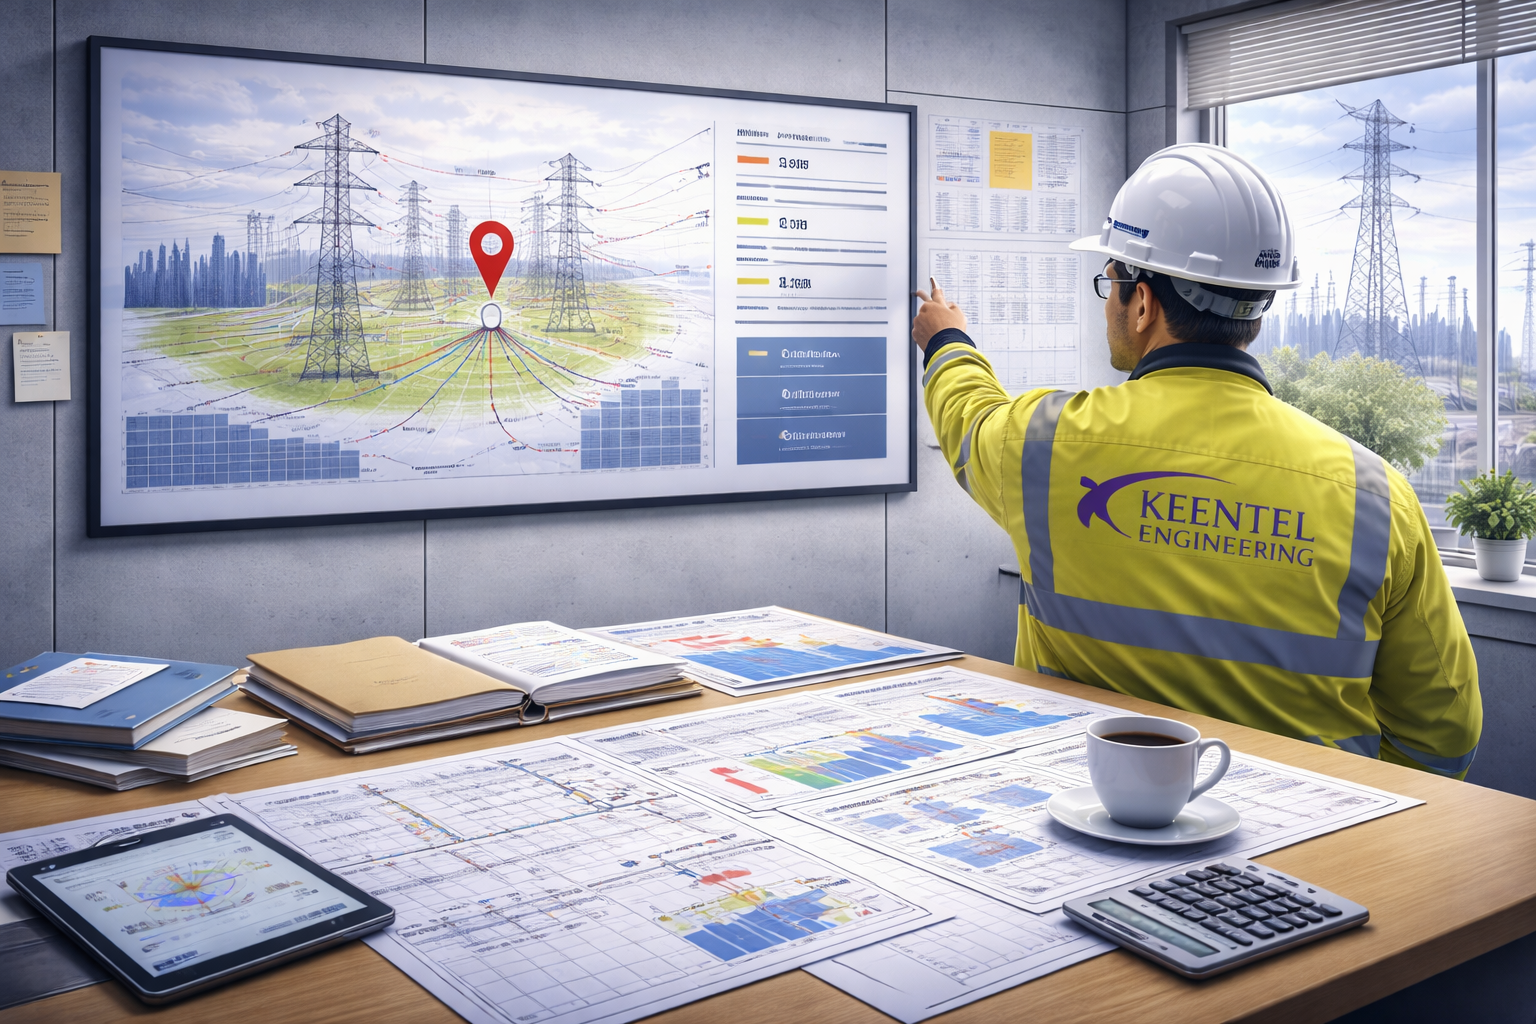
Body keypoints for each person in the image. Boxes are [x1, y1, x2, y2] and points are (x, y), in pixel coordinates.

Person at [911, 143, 1480, 778]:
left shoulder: (1045, 443)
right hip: (1314, 847)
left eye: (1111, 283)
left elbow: (969, 421)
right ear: (1255, 315)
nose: (1108, 303)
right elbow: (1445, 731)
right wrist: (1357, 797)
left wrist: (945, 340)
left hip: (1100, 822)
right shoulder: (1375, 493)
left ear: (1144, 303)